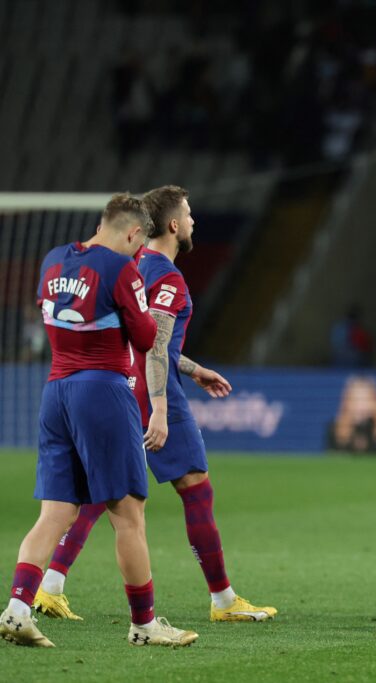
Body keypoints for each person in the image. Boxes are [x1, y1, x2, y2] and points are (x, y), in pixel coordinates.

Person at [32, 186, 276, 624]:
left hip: (113, 387)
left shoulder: (130, 263)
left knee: (97, 491)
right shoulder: (167, 276)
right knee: (196, 488)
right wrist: (161, 407)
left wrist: (193, 366)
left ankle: (50, 586)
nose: (195, 221)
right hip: (147, 393)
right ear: (174, 226)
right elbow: (156, 349)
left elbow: (144, 339)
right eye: (189, 214)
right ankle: (223, 600)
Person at [1, 194, 197, 648]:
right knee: (128, 514)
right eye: (138, 244)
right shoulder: (120, 269)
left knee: (56, 512)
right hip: (104, 392)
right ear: (132, 233)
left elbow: (53, 313)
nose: (139, 254)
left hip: (56, 391)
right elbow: (147, 337)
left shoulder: (54, 260)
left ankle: (16, 609)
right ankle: (145, 624)